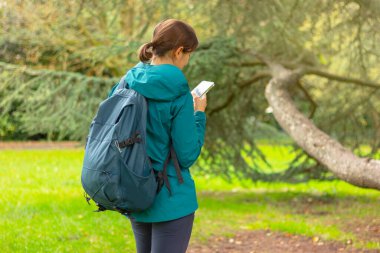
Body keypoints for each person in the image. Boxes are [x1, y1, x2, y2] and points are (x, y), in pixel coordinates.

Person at [110, 19, 207, 253]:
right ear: (178, 51)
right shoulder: (178, 92)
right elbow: (186, 155)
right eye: (188, 54)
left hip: (135, 190)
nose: (187, 61)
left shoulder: (127, 81)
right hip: (171, 198)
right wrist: (199, 114)